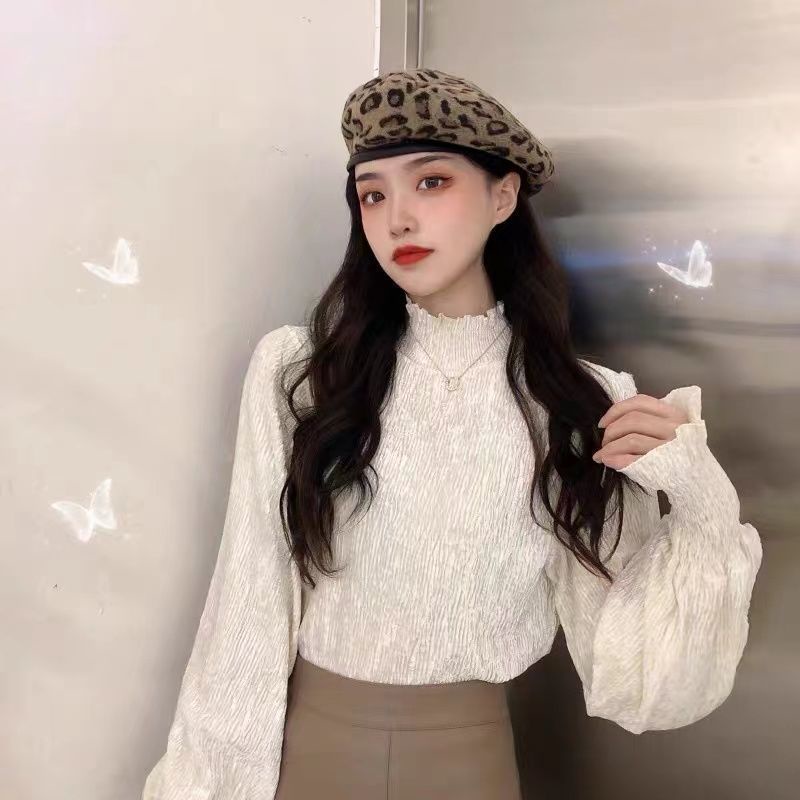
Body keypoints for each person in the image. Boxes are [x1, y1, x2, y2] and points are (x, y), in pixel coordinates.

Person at [141, 68, 763, 800]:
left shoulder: (577, 400)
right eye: (373, 194)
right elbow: (249, 600)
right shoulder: (301, 372)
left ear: (503, 196)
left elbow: (638, 677)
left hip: (469, 763)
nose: (397, 220)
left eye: (431, 182)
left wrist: (701, 504)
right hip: (310, 755)